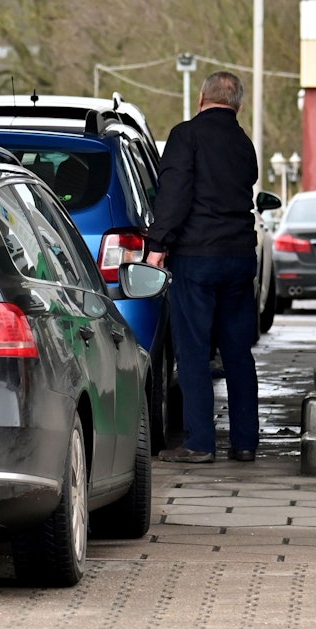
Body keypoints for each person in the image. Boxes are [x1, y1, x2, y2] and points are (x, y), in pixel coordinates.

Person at [145, 71, 259, 464]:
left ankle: (200, 443)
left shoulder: (186, 136)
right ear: (237, 104)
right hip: (239, 257)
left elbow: (174, 194)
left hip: (197, 258)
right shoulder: (244, 144)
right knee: (237, 351)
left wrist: (157, 245)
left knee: (193, 350)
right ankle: (245, 442)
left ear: (200, 98)